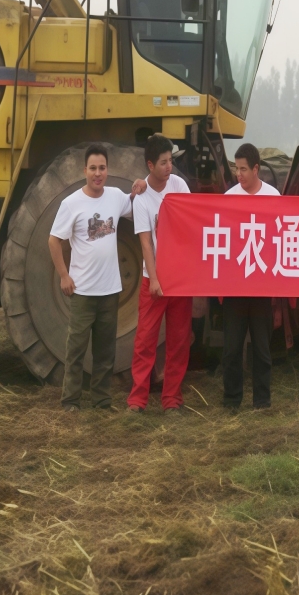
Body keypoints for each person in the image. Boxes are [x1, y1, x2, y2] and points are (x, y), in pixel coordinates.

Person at [48, 144, 132, 411]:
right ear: (84, 170)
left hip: (110, 289)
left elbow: (136, 203)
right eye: (93, 168)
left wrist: (141, 186)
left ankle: (102, 400)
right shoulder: (71, 203)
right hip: (83, 291)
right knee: (76, 350)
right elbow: (53, 240)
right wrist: (64, 275)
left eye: (102, 168)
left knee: (105, 350)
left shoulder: (116, 197)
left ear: (108, 170)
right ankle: (71, 400)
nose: (98, 173)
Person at [128, 134, 193, 412]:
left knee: (178, 340)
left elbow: (192, 224)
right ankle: (137, 400)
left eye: (171, 161)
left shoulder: (179, 185)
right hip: (153, 279)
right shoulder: (142, 198)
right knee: (145, 340)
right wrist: (154, 278)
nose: (169, 168)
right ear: (150, 165)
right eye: (164, 163)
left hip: (180, 279)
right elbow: (145, 242)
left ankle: (171, 399)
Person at [221, 143, 279, 410]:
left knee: (262, 349)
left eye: (243, 169)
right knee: (232, 348)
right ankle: (232, 400)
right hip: (234, 286)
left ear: (256, 169)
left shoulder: (273, 197)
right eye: (236, 168)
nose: (238, 174)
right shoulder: (229, 197)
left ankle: (262, 401)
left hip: (262, 286)